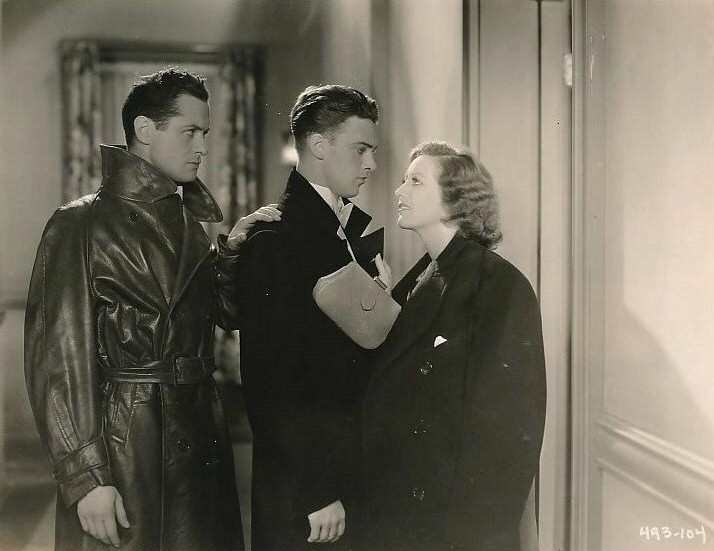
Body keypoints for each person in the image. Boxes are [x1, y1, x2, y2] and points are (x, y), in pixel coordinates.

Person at [24, 68, 280, 551]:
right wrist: (86, 477)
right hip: (127, 450)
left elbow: (220, 315)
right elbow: (59, 361)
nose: (203, 146)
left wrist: (233, 251)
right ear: (145, 130)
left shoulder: (188, 222)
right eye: (190, 132)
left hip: (199, 431)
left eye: (205, 133)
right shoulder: (79, 224)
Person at [360, 142, 547, 551]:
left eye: (415, 181)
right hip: (411, 509)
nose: (399, 191)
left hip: (460, 523)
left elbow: (514, 427)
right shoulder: (421, 276)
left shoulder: (499, 285)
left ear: (454, 200)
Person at [235, 84, 386, 550]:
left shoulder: (340, 232)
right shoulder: (276, 241)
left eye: (372, 151)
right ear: (319, 146)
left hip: (340, 476)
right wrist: (316, 489)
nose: (371, 165)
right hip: (308, 492)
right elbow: (270, 382)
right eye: (360, 149)